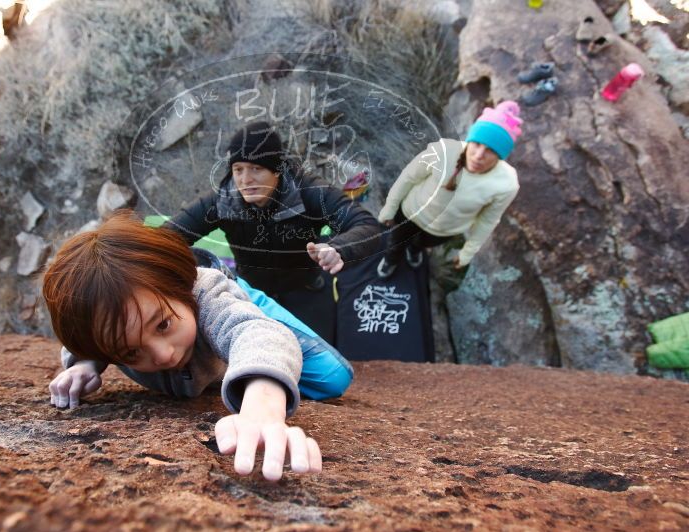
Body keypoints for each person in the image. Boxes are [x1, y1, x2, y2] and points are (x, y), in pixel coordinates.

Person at [42, 212, 353, 481]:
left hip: (231, 304)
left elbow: (254, 333)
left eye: (162, 324)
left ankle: (247, 297)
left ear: (182, 291)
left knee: (332, 377)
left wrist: (262, 406)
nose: (164, 354)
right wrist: (84, 364)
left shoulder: (205, 297)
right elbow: (85, 340)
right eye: (130, 352)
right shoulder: (105, 334)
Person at [163, 121, 381, 342]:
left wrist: (338, 248)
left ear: (277, 170)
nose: (245, 180)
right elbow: (165, 238)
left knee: (322, 372)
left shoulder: (309, 191)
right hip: (252, 298)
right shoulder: (221, 201)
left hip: (307, 295)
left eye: (256, 169)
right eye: (238, 169)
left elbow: (367, 225)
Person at [376, 101, 523, 278]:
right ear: (470, 140)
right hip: (410, 213)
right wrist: (390, 207)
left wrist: (467, 252)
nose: (478, 156)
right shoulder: (443, 151)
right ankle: (391, 260)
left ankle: (414, 251)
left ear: (500, 156)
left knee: (420, 244)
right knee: (396, 241)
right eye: (477, 144)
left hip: (443, 231)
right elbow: (409, 177)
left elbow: (487, 220)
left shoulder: (506, 184)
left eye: (490, 150)